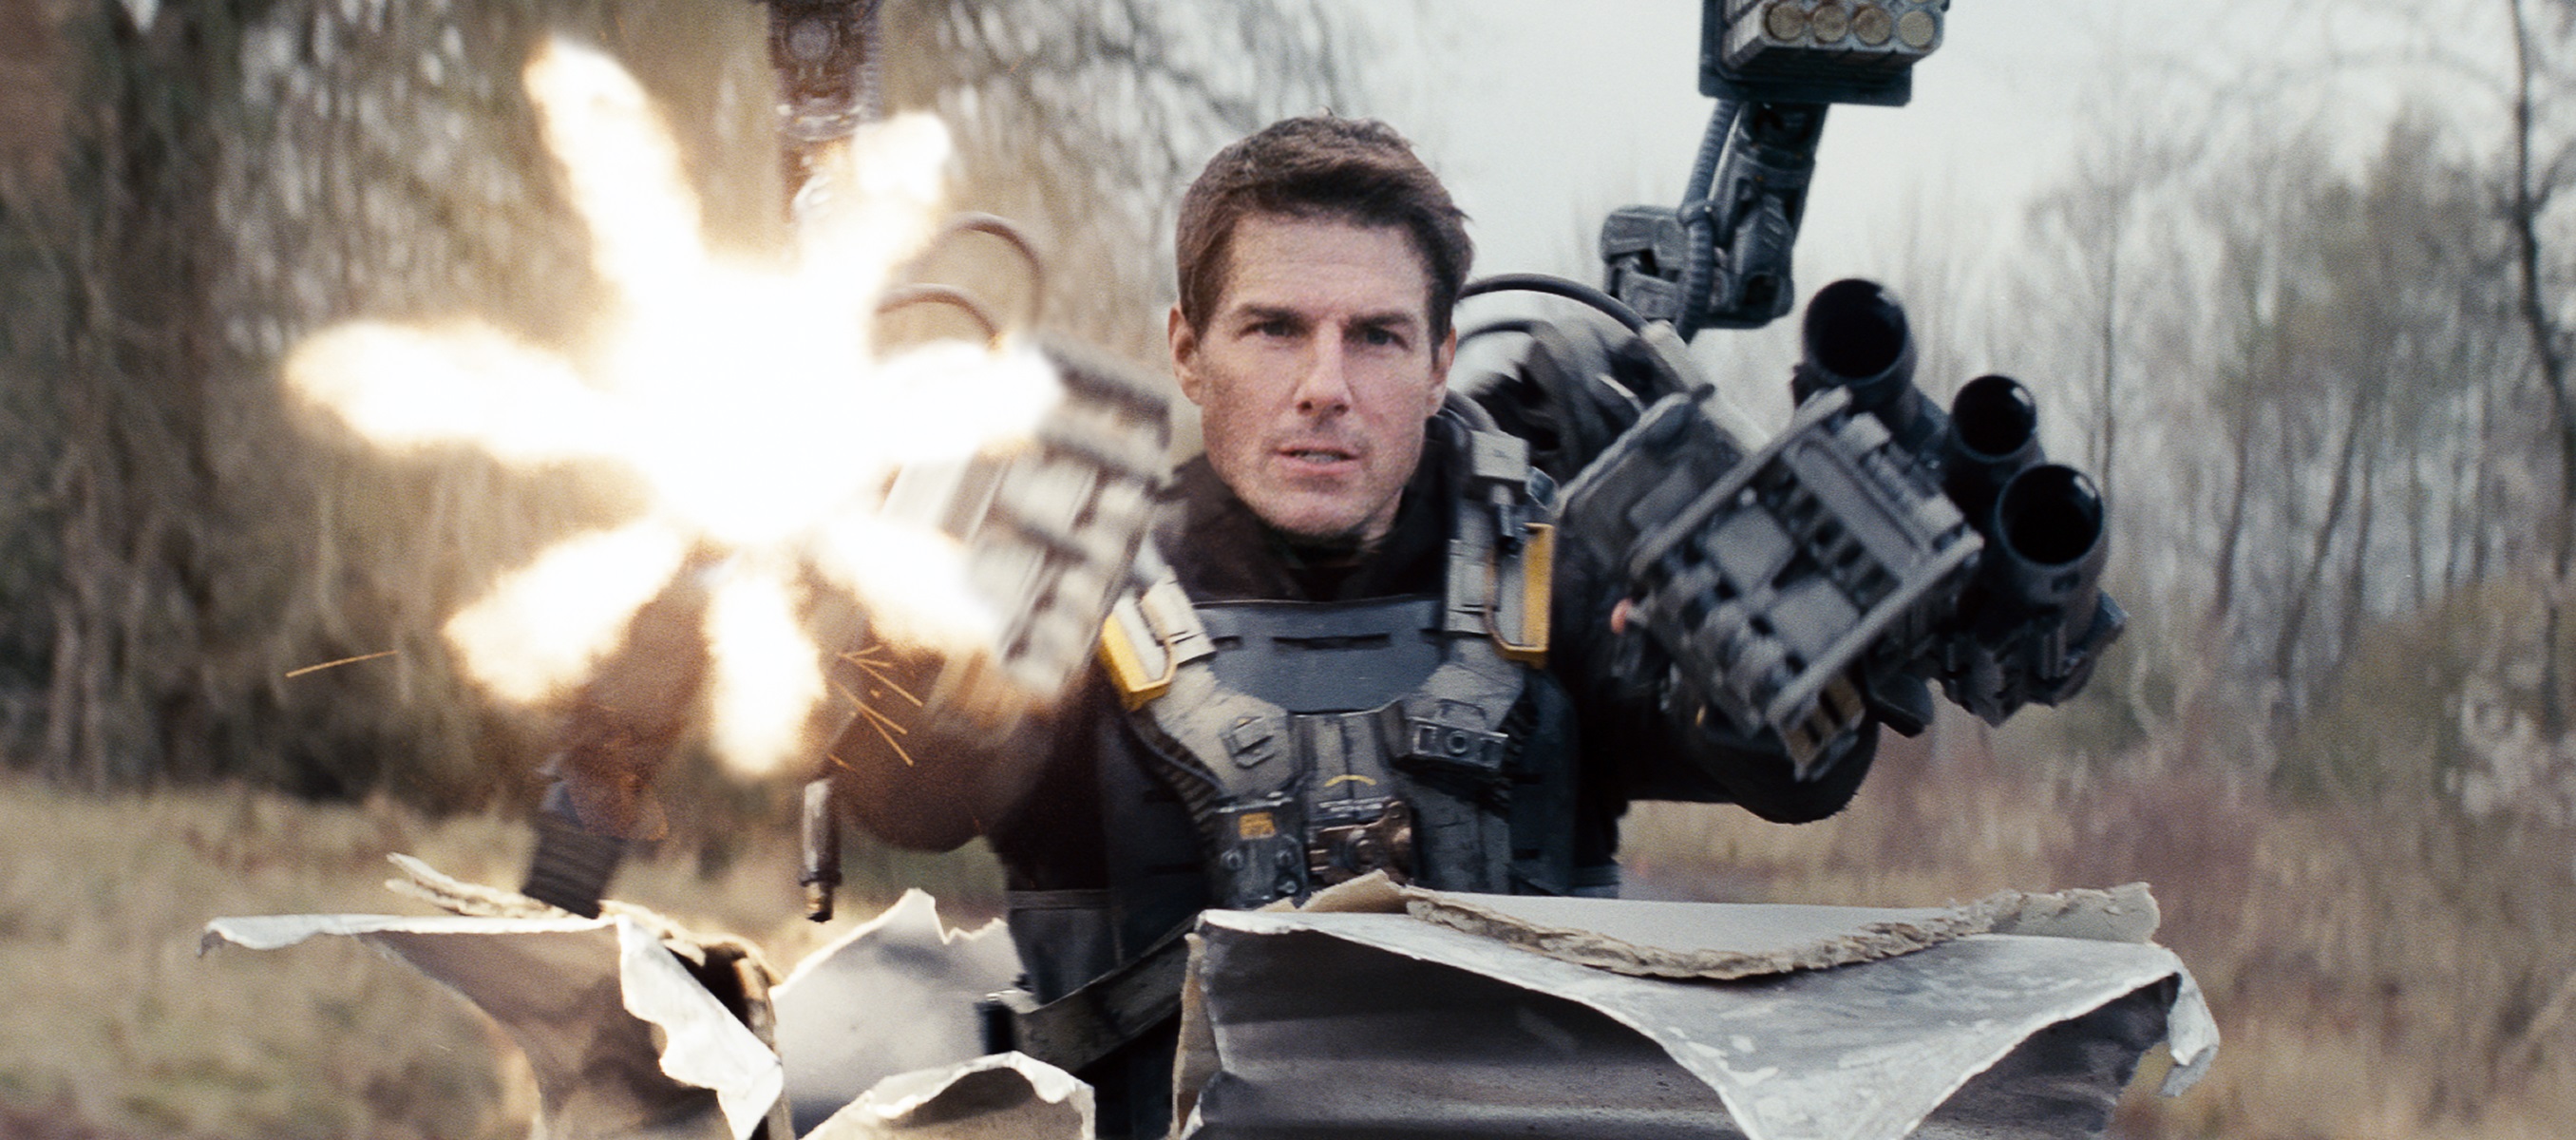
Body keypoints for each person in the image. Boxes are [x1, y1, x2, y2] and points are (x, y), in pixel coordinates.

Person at [824, 113, 1879, 1139]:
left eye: (1377, 337)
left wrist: (1791, 629)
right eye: (1275, 329)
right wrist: (905, 647)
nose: (1324, 388)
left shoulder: (1557, 575)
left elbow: (1799, 772)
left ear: (1439, 363)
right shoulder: (1073, 581)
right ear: (1188, 352)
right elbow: (910, 799)